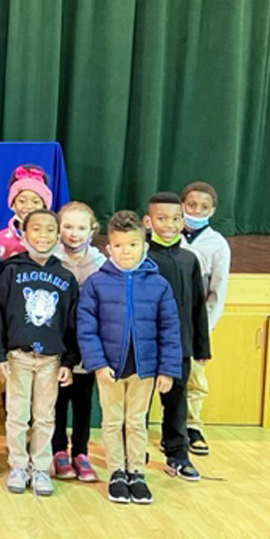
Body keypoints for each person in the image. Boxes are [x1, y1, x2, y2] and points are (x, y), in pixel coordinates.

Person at [79, 211, 181, 504]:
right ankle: (116, 473)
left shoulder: (159, 284)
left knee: (136, 422)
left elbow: (169, 330)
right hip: (109, 368)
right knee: (112, 422)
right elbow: (87, 328)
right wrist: (97, 364)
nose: (127, 251)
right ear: (109, 248)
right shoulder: (96, 284)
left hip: (145, 368)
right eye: (120, 246)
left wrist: (167, 370)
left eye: (133, 245)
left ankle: (136, 471)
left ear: (144, 246)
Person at [0, 209, 78, 497]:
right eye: (36, 229)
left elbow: (72, 322)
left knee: (44, 416)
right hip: (18, 357)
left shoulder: (65, 276)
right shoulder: (11, 270)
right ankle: (17, 465)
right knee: (17, 415)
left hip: (51, 360)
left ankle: (40, 468)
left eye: (50, 230)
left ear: (58, 235)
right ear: (24, 234)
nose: (43, 236)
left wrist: (69, 360)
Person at [144, 192, 210, 481]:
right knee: (138, 405)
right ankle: (132, 452)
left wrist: (200, 347)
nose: (169, 224)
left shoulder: (189, 259)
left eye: (175, 218)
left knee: (176, 404)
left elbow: (198, 305)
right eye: (161, 218)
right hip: (144, 347)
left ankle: (177, 455)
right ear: (148, 221)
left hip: (178, 347)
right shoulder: (140, 256)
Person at [51, 201, 106, 482]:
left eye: (81, 227)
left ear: (92, 230)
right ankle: (58, 451)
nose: (74, 233)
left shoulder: (101, 265)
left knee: (83, 402)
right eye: (68, 227)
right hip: (57, 345)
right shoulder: (51, 259)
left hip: (87, 345)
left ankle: (81, 453)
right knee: (57, 401)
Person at [180, 181, 231, 456]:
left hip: (195, 321)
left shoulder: (217, 245)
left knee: (195, 377)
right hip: (165, 318)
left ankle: (193, 426)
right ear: (182, 205)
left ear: (213, 210)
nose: (196, 211)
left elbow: (217, 291)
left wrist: (205, 330)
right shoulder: (168, 235)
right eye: (191, 205)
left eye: (204, 207)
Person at [0, 164, 54, 260]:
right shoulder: (0, 240)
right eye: (22, 201)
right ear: (13, 204)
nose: (28, 206)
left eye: (35, 202)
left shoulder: (52, 239)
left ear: (44, 206)